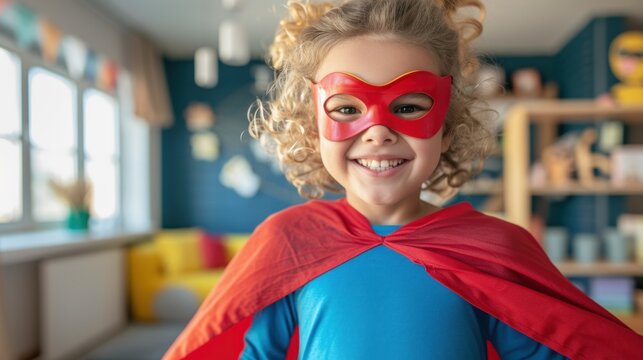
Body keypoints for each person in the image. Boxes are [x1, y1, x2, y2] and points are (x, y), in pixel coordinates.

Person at [164, 0, 643, 359]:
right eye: (347, 109)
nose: (378, 132)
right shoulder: (288, 242)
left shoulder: (496, 248)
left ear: (447, 129)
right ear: (313, 129)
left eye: (409, 107)